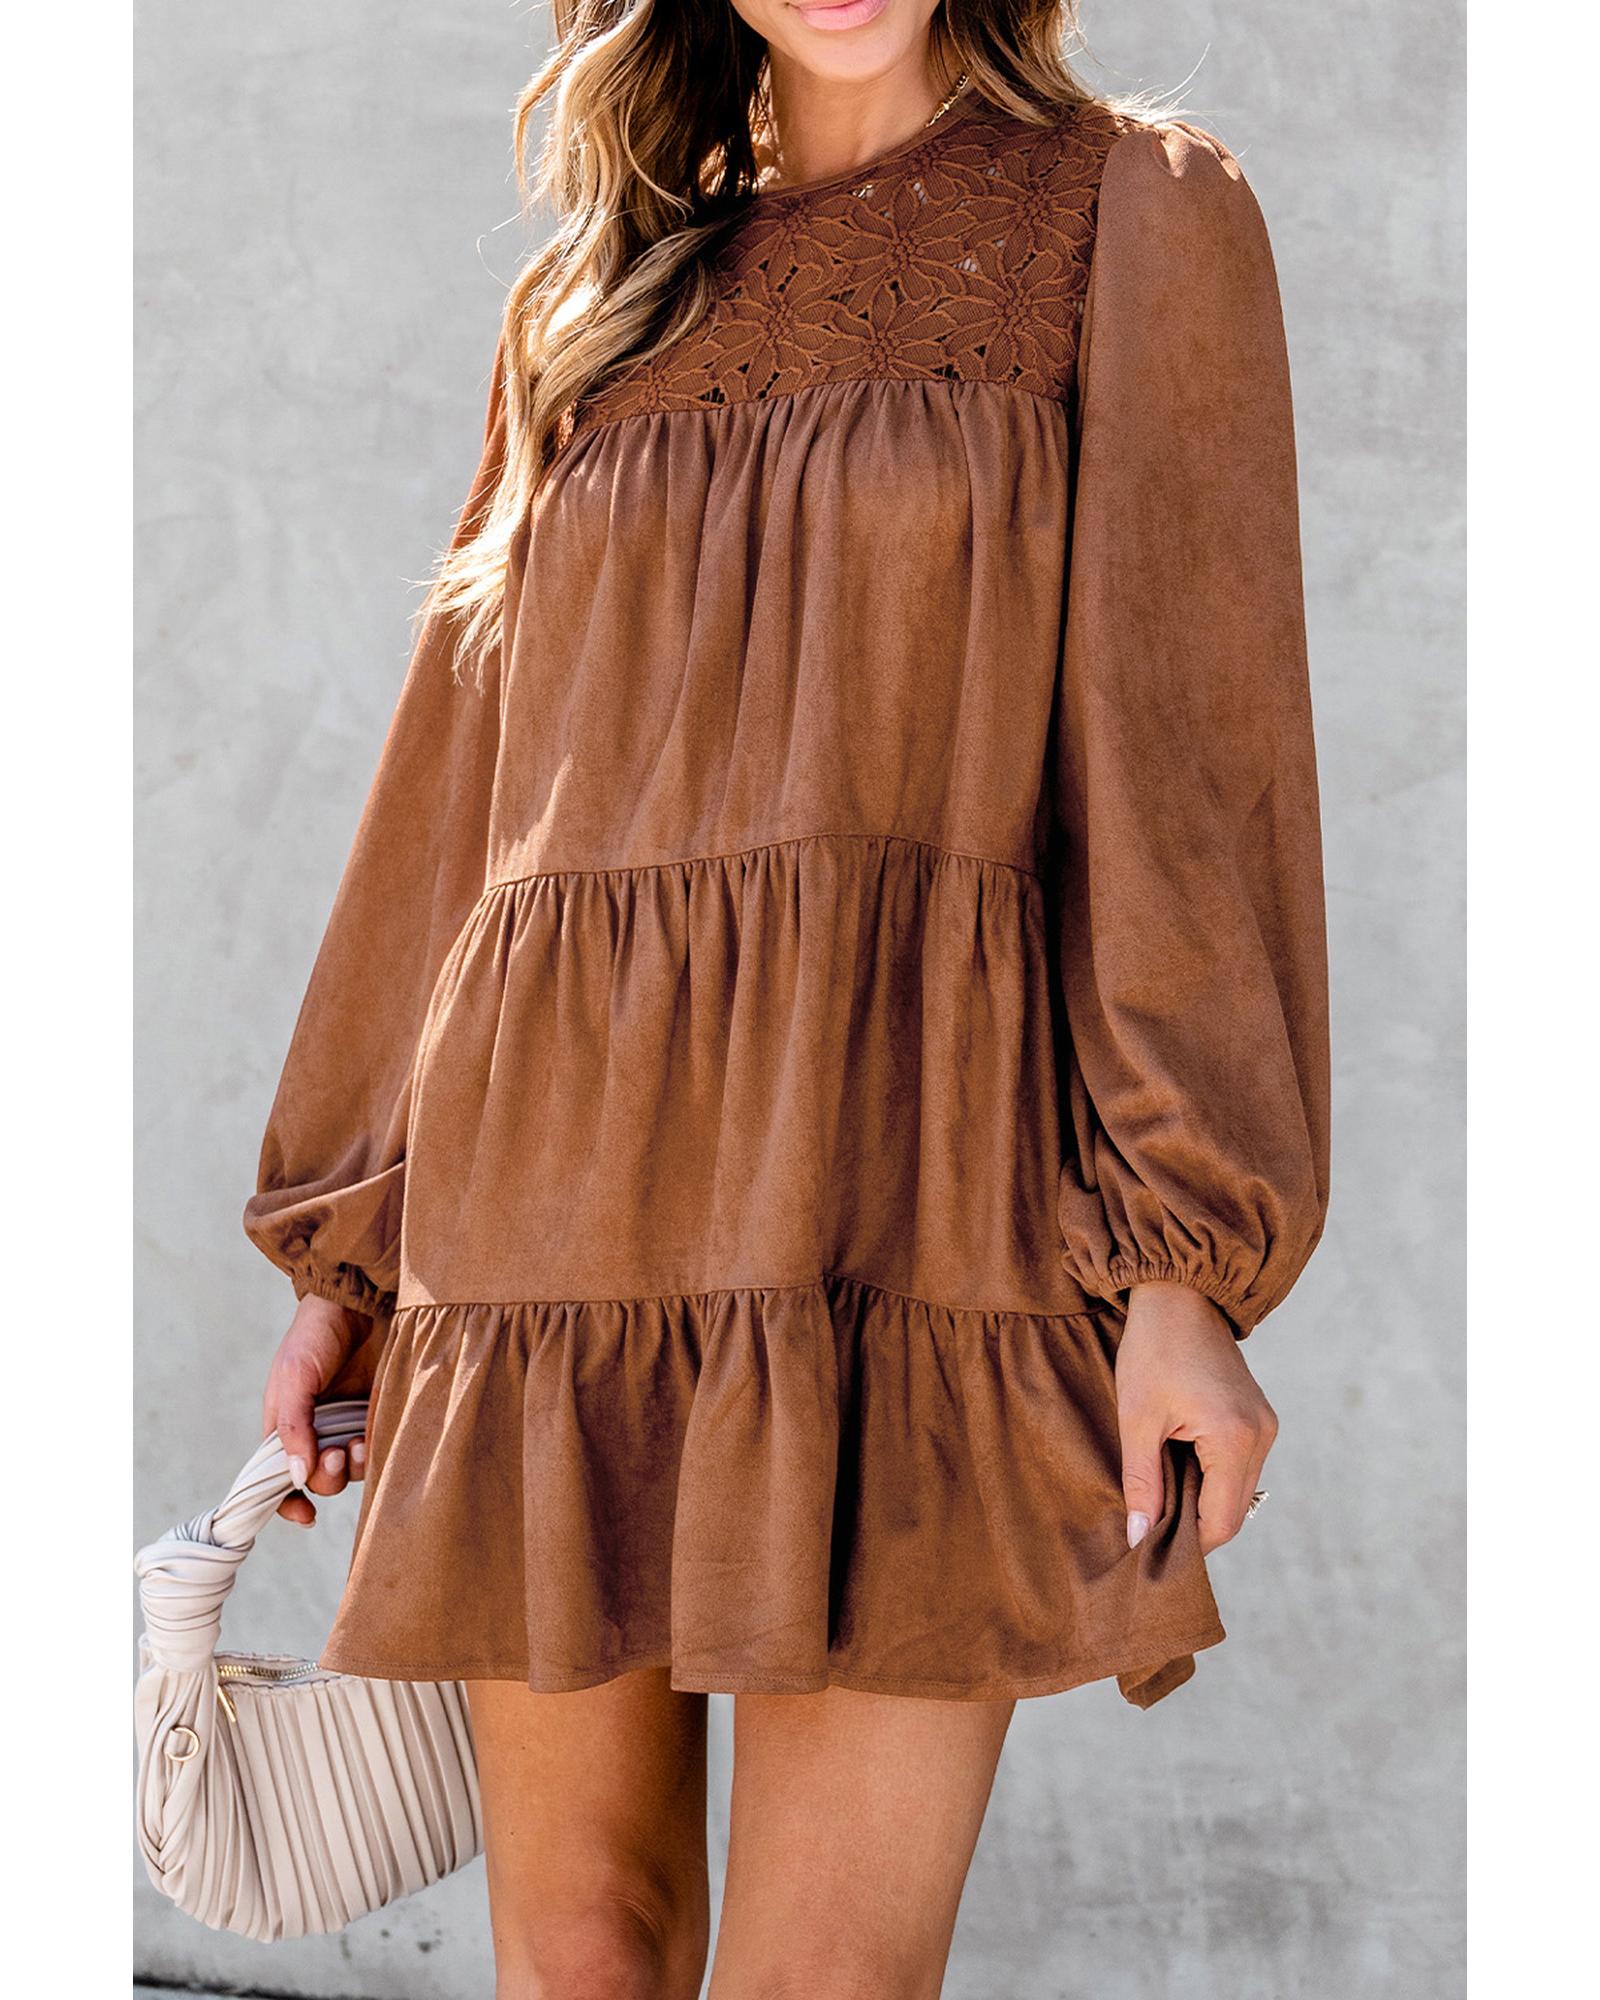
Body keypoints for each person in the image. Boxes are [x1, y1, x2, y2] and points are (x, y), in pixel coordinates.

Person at [246, 1, 1330, 1992]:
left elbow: (1190, 756)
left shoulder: (1129, 210)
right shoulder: (594, 296)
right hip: (549, 1210)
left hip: (901, 1196)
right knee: (581, 1953)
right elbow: (464, 794)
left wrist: (1186, 1261)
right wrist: (357, 1237)